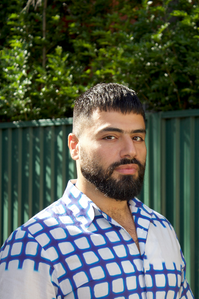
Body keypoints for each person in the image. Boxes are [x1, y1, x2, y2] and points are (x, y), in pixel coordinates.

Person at [0, 83, 194, 299]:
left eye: (137, 137)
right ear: (75, 147)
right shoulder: (34, 245)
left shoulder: (161, 228)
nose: (130, 151)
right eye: (110, 137)